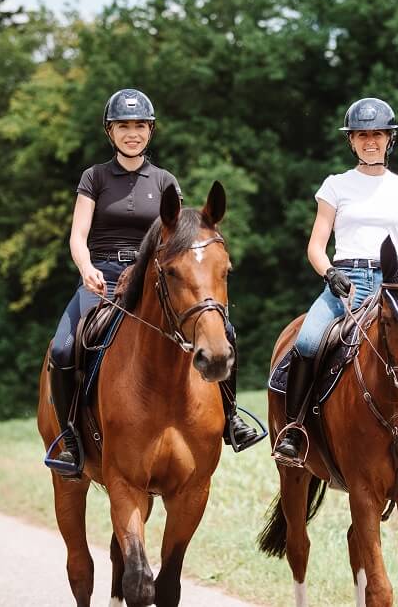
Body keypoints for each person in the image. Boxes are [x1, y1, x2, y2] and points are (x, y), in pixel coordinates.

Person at [45, 88, 261, 478]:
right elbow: (78, 234)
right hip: (103, 277)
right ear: (110, 132)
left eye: (140, 126)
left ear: (151, 131)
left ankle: (230, 418)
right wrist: (86, 267)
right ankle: (70, 437)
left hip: (154, 278)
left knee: (225, 332)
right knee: (63, 347)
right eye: (124, 126)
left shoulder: (164, 180)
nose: (133, 133)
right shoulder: (94, 177)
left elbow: (179, 235)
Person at [272, 97, 398, 473]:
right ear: (351, 141)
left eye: (377, 135)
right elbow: (316, 246)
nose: (369, 142)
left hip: (397, 287)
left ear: (389, 139)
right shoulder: (335, 186)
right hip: (345, 283)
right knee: (308, 342)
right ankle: (296, 431)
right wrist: (329, 272)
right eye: (362, 135)